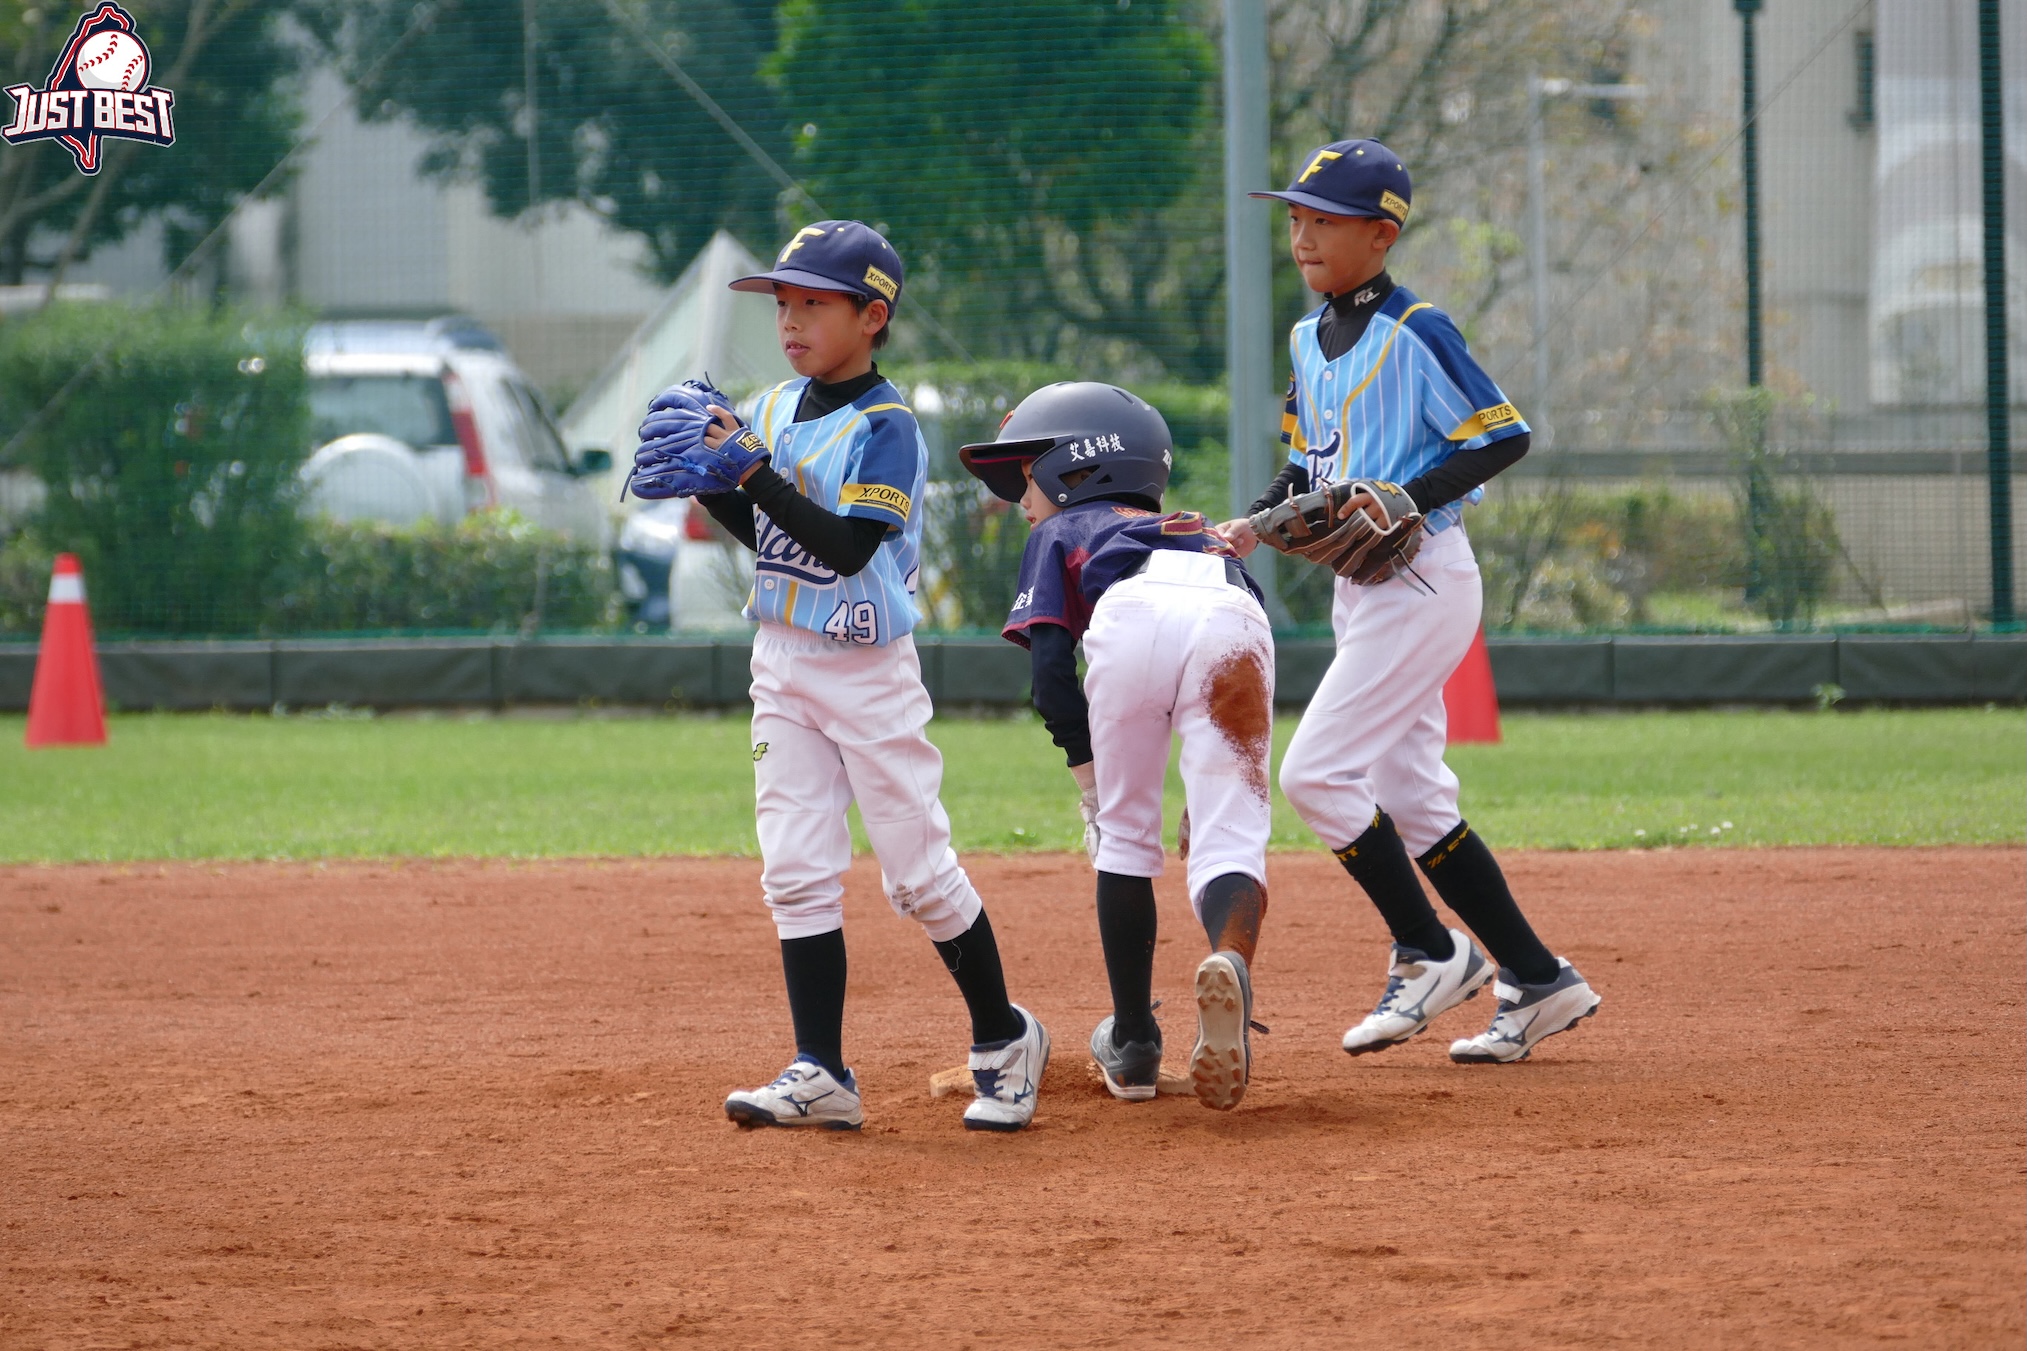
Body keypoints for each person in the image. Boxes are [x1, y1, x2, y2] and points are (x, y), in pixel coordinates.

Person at [641, 220, 1049, 1131]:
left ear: (872, 316)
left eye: (812, 304)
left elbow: (844, 549)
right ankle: (819, 1068)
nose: (789, 320)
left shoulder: (887, 427)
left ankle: (1004, 1035)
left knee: (917, 874)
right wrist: (709, 482)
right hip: (781, 656)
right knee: (793, 868)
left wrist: (750, 473)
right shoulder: (775, 405)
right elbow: (772, 538)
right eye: (782, 303)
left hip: (867, 670)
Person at [1219, 140, 1601, 1064]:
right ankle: (1536, 977)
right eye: (1296, 218)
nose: (1303, 236)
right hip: (1362, 588)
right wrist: (1253, 523)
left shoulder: (1417, 329)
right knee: (1411, 796)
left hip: (1424, 577)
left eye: (1325, 220)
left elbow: (1501, 435)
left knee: (1314, 773)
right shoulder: (1306, 337)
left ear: (1382, 234)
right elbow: (1308, 462)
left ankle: (1429, 950)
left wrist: (1410, 496)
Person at [961, 382, 1274, 1110]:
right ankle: (1230, 958)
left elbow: (1050, 675)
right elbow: (1232, 623)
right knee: (1228, 836)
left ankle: (1133, 1044)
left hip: (1130, 611)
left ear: (1075, 467)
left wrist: (1089, 782)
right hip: (1234, 610)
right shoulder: (1198, 529)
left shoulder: (1064, 530)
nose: (1022, 500)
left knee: (1125, 835)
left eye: (1027, 476)